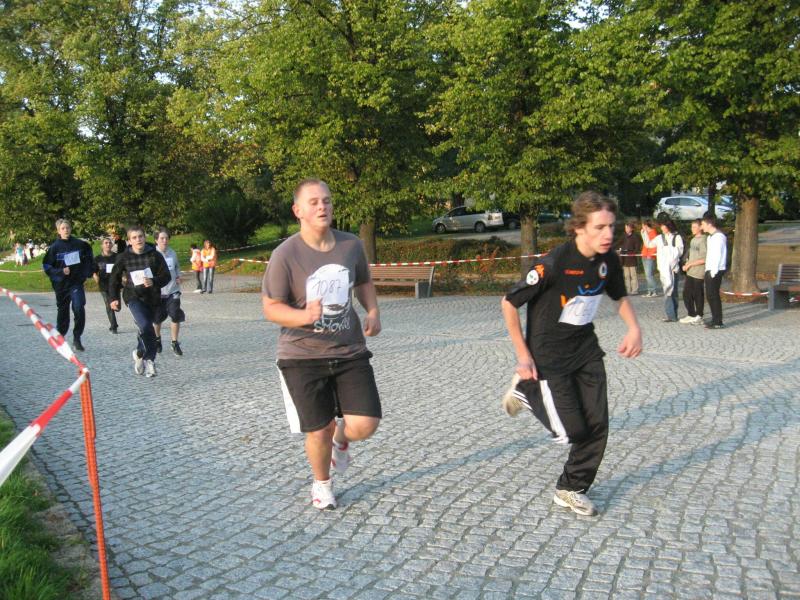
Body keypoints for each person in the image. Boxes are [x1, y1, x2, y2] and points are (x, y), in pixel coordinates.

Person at [500, 191, 642, 517]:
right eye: (599, 227)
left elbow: (619, 296)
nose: (608, 234)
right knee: (572, 431)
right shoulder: (554, 264)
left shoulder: (608, 261)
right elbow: (509, 303)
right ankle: (526, 389)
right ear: (579, 227)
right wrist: (523, 356)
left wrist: (634, 328)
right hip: (549, 357)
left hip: (586, 351)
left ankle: (571, 488)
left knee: (598, 425)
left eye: (611, 226)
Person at [262, 178, 382, 510]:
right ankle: (322, 485)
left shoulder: (351, 245)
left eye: (326, 201)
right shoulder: (285, 255)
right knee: (319, 429)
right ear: (297, 210)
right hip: (301, 355)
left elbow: (364, 281)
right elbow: (270, 307)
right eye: (313, 202)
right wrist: (303, 316)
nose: (322, 207)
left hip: (349, 349)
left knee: (365, 424)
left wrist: (372, 310)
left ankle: (341, 442)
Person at [108, 226, 170, 378]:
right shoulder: (124, 257)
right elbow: (114, 279)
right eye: (134, 238)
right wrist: (113, 298)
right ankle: (150, 361)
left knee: (147, 328)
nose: (138, 240)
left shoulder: (154, 255)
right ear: (129, 241)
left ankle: (139, 352)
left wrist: (154, 281)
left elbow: (166, 276)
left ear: (144, 237)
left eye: (140, 236)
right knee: (146, 325)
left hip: (152, 298)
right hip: (133, 297)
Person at [42, 219, 93, 351]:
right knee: (63, 311)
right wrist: (60, 271)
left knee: (79, 307)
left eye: (68, 227)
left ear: (71, 229)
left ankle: (77, 338)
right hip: (61, 285)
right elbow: (47, 266)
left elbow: (89, 257)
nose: (66, 230)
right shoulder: (54, 248)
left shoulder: (80, 244)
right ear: (58, 231)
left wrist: (86, 273)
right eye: (63, 228)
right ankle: (60, 336)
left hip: (76, 283)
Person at [153, 228, 185, 356]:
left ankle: (174, 342)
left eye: (166, 238)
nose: (165, 240)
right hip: (158, 292)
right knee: (157, 319)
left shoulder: (172, 253)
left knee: (175, 314)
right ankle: (157, 339)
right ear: (156, 240)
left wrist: (178, 276)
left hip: (173, 290)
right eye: (162, 238)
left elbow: (177, 267)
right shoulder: (152, 254)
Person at [649, 219, 684, 322]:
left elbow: (680, 251)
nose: (662, 228)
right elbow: (649, 244)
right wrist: (646, 233)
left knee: (674, 292)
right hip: (663, 268)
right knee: (667, 291)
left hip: (673, 268)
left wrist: (670, 255)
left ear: (668, 226)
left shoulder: (677, 237)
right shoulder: (659, 237)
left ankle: (673, 314)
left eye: (663, 226)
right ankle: (671, 315)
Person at [702, 214, 727, 329]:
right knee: (710, 295)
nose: (702, 227)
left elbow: (718, 255)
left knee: (713, 295)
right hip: (709, 268)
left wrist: (713, 271)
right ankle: (714, 319)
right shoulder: (710, 237)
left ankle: (718, 321)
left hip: (716, 269)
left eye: (703, 224)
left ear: (709, 224)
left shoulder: (718, 237)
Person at [679, 219, 707, 325]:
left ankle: (699, 315)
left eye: (695, 227)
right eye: (692, 227)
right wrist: (686, 263)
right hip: (690, 271)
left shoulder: (704, 240)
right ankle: (691, 314)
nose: (692, 229)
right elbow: (691, 255)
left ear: (700, 227)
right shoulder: (693, 239)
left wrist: (690, 264)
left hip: (699, 272)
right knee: (686, 293)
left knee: (698, 294)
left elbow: (704, 258)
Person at [92, 237, 119, 333]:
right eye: (106, 243)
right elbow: (93, 270)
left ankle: (114, 321)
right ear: (102, 245)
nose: (108, 244)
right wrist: (95, 275)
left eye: (109, 243)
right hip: (103, 284)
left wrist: (124, 276)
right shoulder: (97, 259)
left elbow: (122, 268)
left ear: (112, 245)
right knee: (108, 304)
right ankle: (114, 326)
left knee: (117, 307)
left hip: (115, 284)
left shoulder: (117, 257)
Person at [618, 220, 641, 295]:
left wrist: (633, 253)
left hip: (632, 259)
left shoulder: (635, 236)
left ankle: (635, 290)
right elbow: (619, 243)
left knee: (633, 275)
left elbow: (637, 247)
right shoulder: (623, 235)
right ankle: (628, 289)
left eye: (627, 227)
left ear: (631, 228)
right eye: (625, 228)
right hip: (624, 259)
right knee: (626, 276)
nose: (626, 229)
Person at [639, 220, 659, 297]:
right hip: (644, 254)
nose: (642, 227)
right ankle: (650, 291)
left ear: (646, 226)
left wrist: (650, 254)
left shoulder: (653, 232)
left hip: (650, 256)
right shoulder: (646, 233)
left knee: (649, 275)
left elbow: (654, 245)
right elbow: (645, 243)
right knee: (648, 275)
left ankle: (653, 291)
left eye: (642, 226)